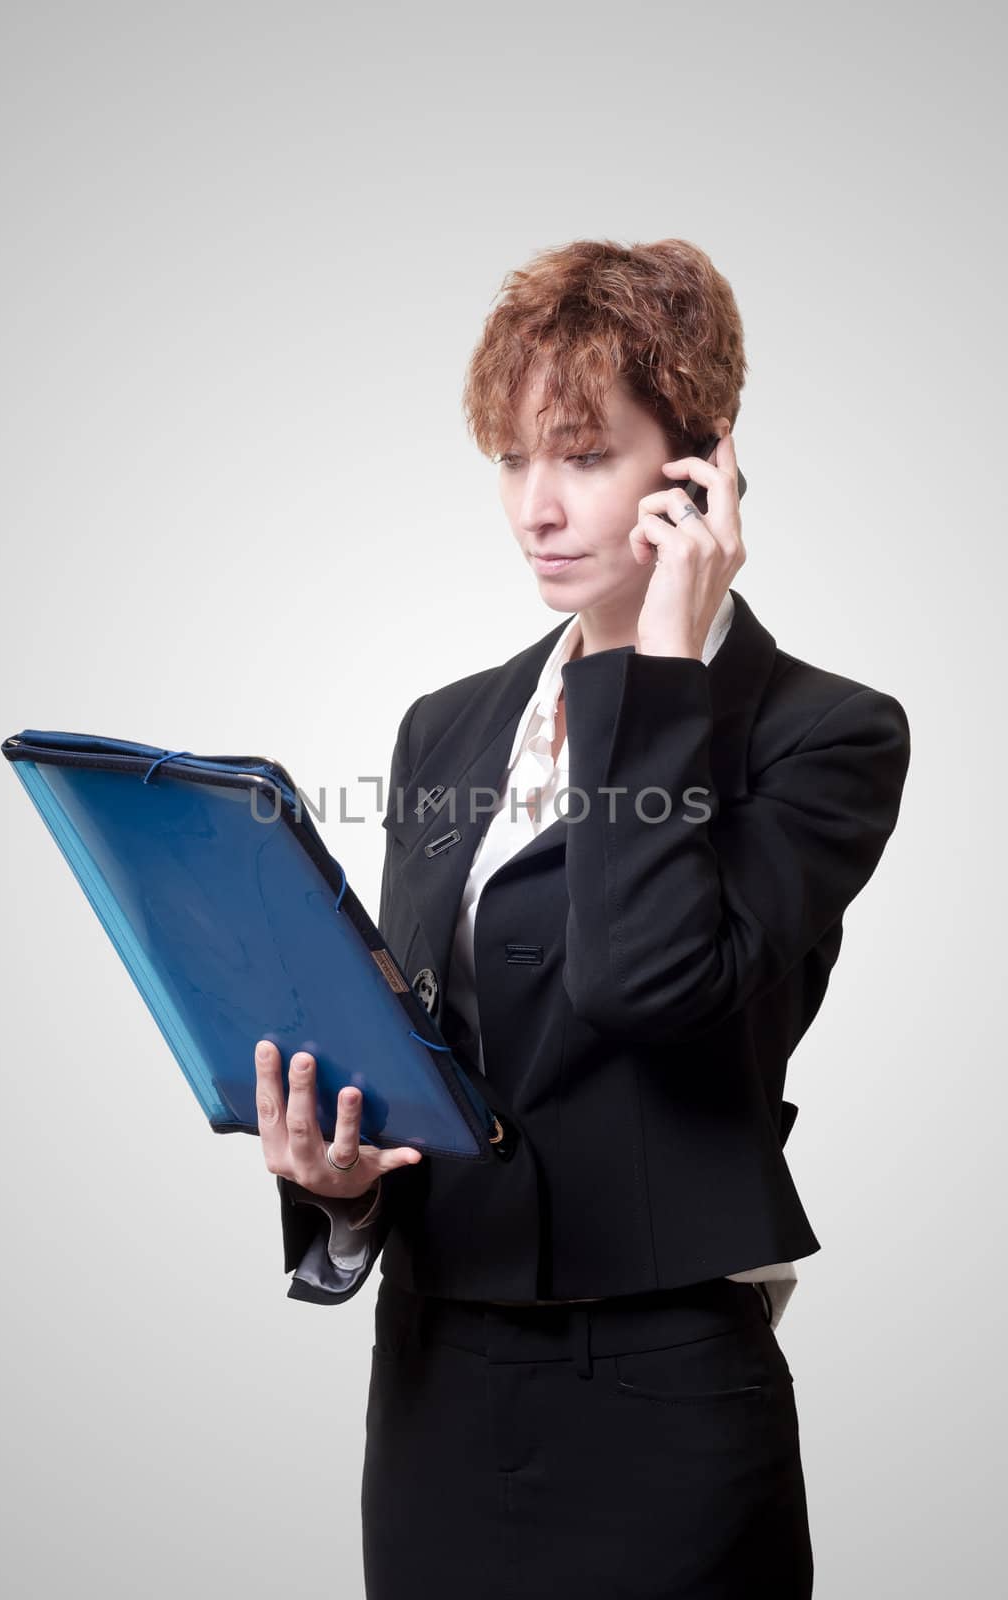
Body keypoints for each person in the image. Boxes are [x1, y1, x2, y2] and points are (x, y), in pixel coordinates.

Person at [253, 237, 911, 1599]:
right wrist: (342, 1189)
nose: (536, 508)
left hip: (663, 1397)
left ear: (699, 468)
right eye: (511, 457)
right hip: (440, 1383)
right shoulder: (447, 727)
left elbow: (645, 985)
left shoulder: (826, 736)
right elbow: (432, 1049)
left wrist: (661, 668)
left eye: (582, 454)